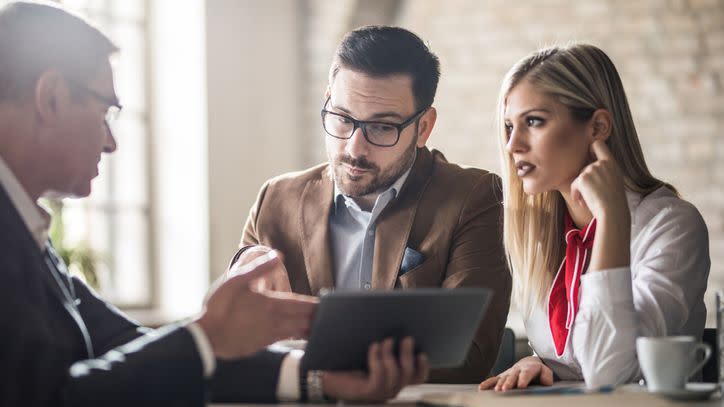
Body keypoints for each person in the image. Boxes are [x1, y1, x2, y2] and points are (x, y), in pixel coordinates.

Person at [0, 2, 427, 406]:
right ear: (52, 97)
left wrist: (319, 378)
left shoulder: (23, 228)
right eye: (105, 112)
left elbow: (125, 346)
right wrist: (206, 336)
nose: (110, 142)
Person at [231, 25, 511, 384]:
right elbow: (235, 339)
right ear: (328, 100)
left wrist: (317, 363)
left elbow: (468, 355)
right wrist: (240, 266)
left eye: (381, 128)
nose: (354, 148)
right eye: (343, 119)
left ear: (423, 127)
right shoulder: (276, 199)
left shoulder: (476, 198)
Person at [479, 43, 710, 391]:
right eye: (510, 126)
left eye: (534, 121)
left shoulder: (672, 226)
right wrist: (545, 363)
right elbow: (582, 359)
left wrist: (612, 217)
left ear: (598, 127)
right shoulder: (543, 234)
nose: (513, 145)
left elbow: (608, 370)